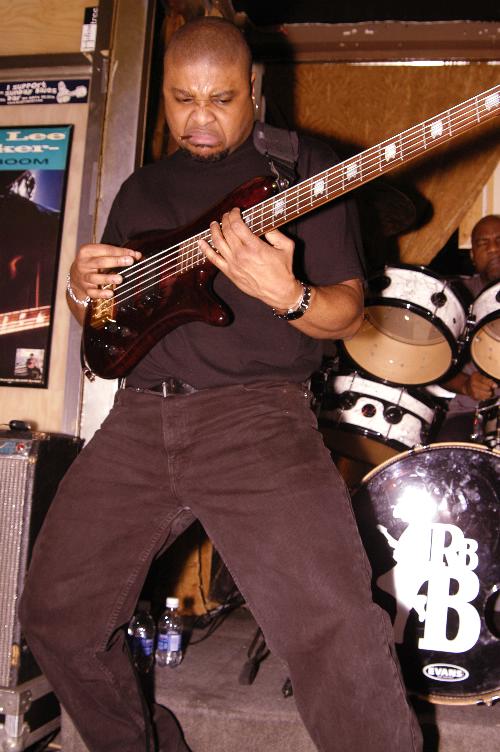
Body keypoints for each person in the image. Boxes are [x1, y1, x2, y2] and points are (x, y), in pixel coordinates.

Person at [19, 18, 423, 752]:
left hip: (255, 421)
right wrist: (82, 291)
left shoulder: (304, 173)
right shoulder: (142, 189)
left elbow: (346, 313)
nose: (199, 118)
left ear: (254, 91)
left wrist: (289, 294)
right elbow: (110, 323)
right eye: (182, 100)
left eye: (221, 99)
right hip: (137, 423)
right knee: (57, 618)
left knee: (334, 628)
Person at [435, 214, 500, 442]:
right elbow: (430, 363)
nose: (493, 248)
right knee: (447, 457)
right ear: (472, 255)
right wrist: (465, 385)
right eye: (483, 243)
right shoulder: (454, 295)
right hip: (469, 410)